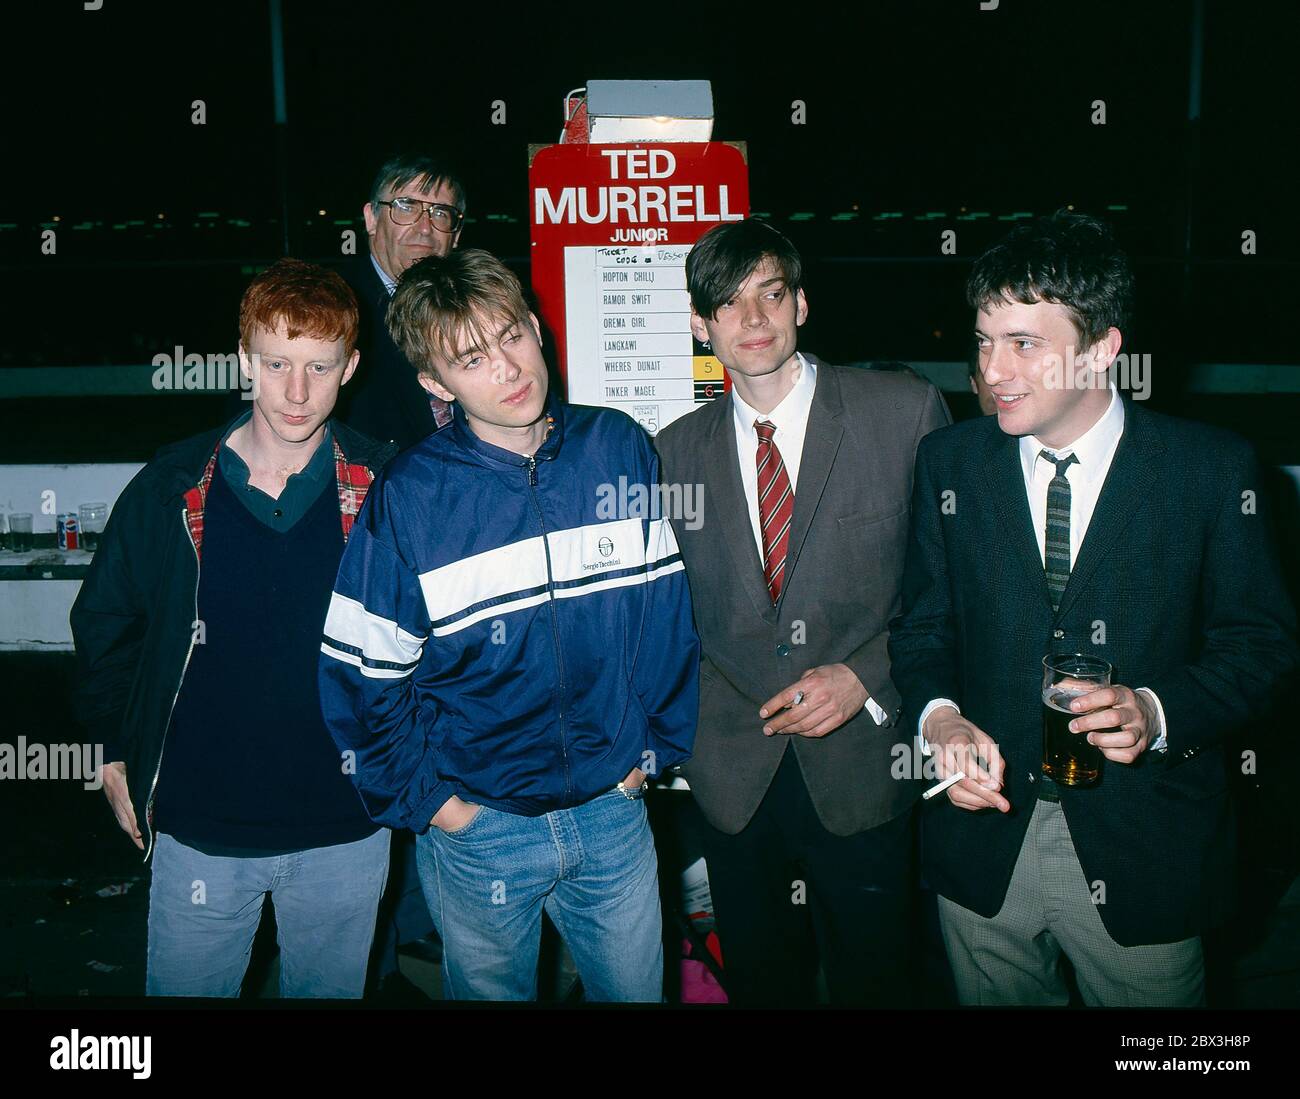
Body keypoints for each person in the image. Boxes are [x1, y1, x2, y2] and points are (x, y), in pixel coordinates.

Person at [888, 210, 1299, 1006]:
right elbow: (924, 625)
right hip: (983, 840)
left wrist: (1156, 707)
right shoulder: (950, 463)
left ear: (1104, 347)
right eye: (982, 340)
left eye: (1024, 343)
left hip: (1145, 841)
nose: (992, 369)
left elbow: (1264, 646)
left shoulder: (1210, 471)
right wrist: (938, 719)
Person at [318, 248, 699, 1001]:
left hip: (613, 814)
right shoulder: (410, 497)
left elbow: (665, 618)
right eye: (472, 357)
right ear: (435, 383)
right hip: (480, 832)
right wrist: (436, 805)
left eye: (513, 334)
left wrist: (648, 754)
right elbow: (361, 675)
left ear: (536, 327)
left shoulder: (617, 447)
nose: (509, 366)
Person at [71, 259, 397, 997]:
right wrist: (112, 747)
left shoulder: (387, 487)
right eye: (276, 363)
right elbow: (105, 619)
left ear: (350, 366)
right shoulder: (171, 483)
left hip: (347, 827)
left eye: (319, 366)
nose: (295, 391)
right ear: (245, 358)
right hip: (201, 828)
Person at [654, 219, 951, 1006]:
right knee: (761, 984)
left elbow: (946, 588)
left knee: (879, 979)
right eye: (727, 302)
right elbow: (668, 619)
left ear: (803, 304)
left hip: (865, 762)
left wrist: (865, 676)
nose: (752, 319)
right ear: (699, 323)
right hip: (732, 774)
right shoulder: (671, 453)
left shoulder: (904, 413)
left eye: (771, 294)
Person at [337, 152, 467, 449]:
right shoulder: (328, 306)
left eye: (439, 212)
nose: (424, 228)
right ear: (372, 219)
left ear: (456, 233)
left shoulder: (472, 307)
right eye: (406, 207)